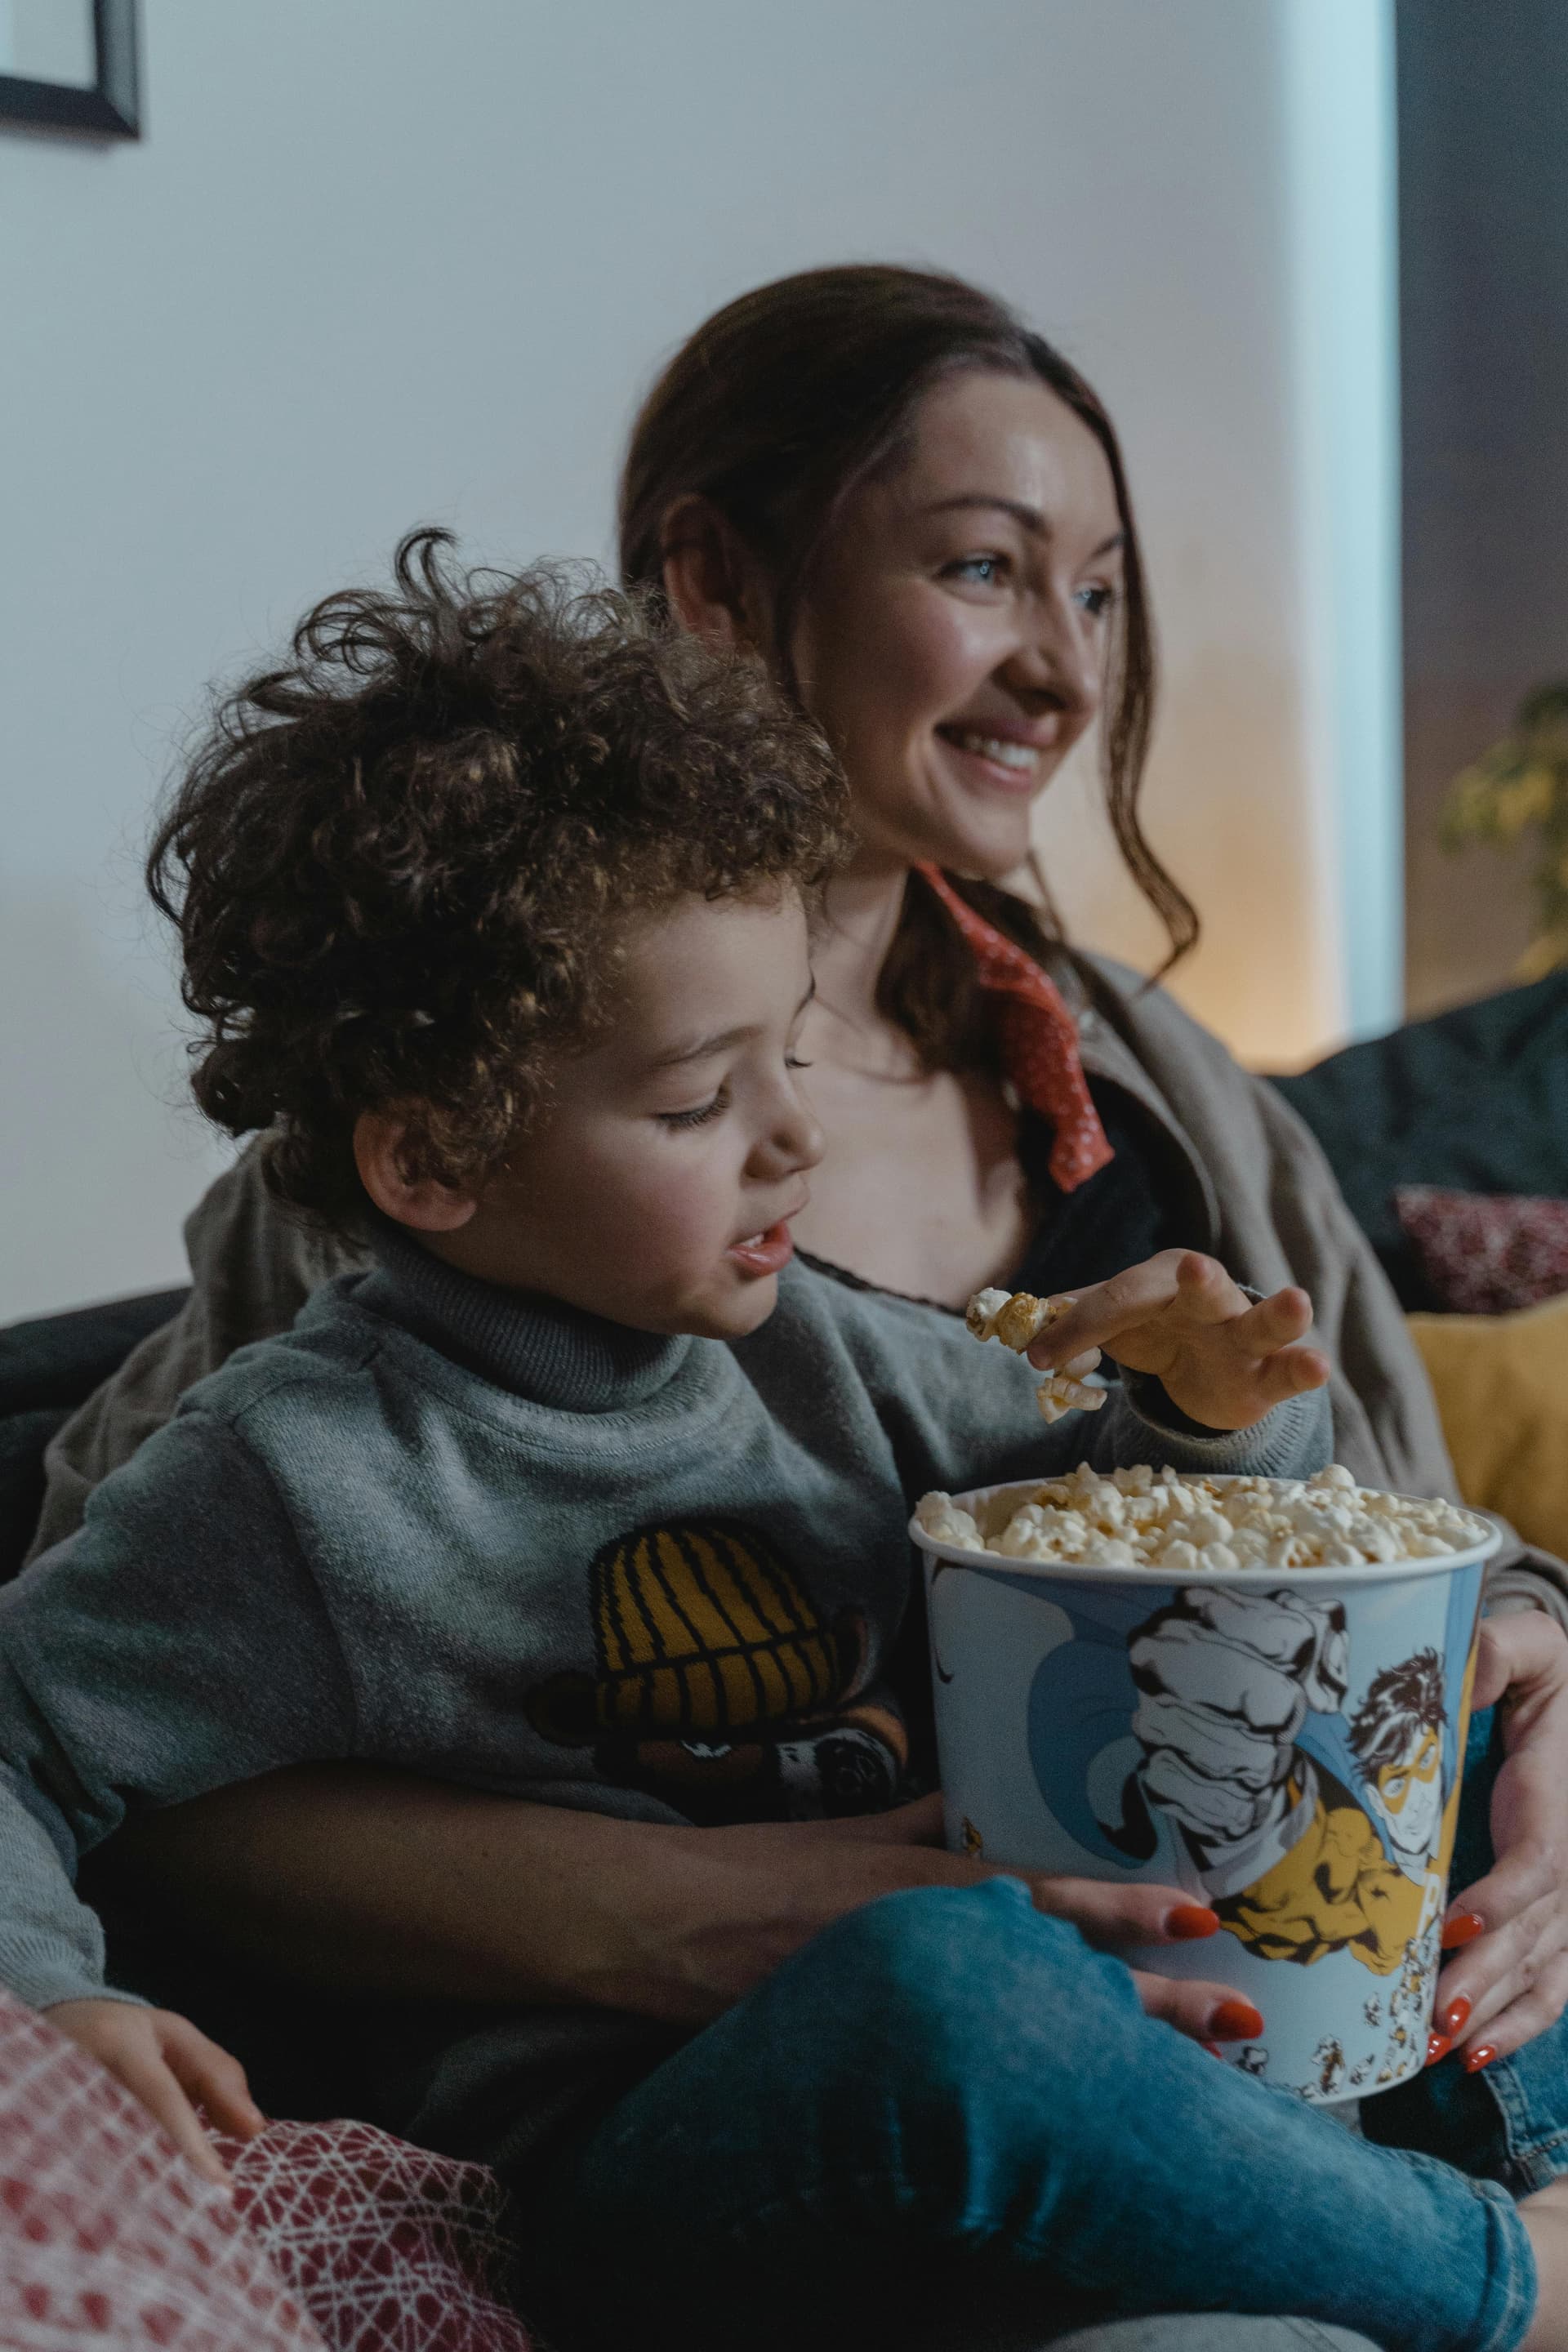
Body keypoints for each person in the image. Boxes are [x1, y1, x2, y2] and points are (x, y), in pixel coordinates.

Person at [29, 270, 1568, 2336]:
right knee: (965, 1995)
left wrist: (1227, 1429)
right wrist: (44, 1994)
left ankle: (1415, 2208)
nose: (787, 1148)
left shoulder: (875, 1324)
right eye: (982, 567)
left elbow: (1197, 1518)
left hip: (1133, 2039)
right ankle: (1500, 2283)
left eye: (1103, 591)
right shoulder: (312, 1440)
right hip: (703, 2137)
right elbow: (60, 1734)